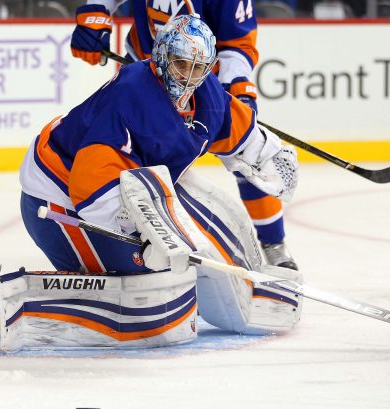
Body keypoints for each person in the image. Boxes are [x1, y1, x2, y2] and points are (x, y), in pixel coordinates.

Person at [0, 15, 302, 354]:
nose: (189, 76)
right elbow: (90, 189)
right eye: (181, 64)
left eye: (199, 68)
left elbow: (234, 127)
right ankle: (10, 309)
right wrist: (140, 233)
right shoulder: (132, 95)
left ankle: (252, 284)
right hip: (59, 201)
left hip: (121, 188)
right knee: (148, 293)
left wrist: (270, 154)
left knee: (179, 267)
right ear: (162, 57)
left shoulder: (205, 92)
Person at [70, 0, 299, 270]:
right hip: (148, 65)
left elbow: (237, 42)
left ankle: (274, 243)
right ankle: (133, 236)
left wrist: (235, 85)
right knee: (135, 151)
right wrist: (96, 12)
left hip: (201, 80)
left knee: (244, 150)